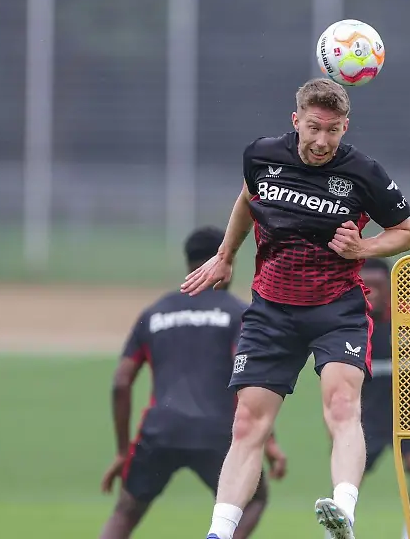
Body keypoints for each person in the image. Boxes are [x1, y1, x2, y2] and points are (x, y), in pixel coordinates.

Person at [180, 78, 410, 539]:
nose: (322, 140)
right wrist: (225, 255)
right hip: (272, 309)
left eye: (333, 131)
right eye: (314, 128)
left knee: (343, 404)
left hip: (336, 308)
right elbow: (248, 199)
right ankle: (219, 533)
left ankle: (343, 514)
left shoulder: (364, 173)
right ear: (297, 121)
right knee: (248, 421)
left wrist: (362, 248)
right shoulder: (262, 155)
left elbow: (406, 233)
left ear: (345, 127)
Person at [97, 227, 287, 539]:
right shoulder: (238, 314)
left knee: (125, 513)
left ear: (189, 264)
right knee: (252, 502)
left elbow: (121, 382)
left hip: (159, 431)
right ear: (224, 262)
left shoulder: (155, 312)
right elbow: (249, 377)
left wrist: (122, 452)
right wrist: (269, 443)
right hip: (217, 432)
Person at [353, 258, 410, 539]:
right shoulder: (351, 323)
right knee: (347, 479)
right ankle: (337, 531)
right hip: (366, 414)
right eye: (367, 287)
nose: (373, 293)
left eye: (379, 286)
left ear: (392, 288)